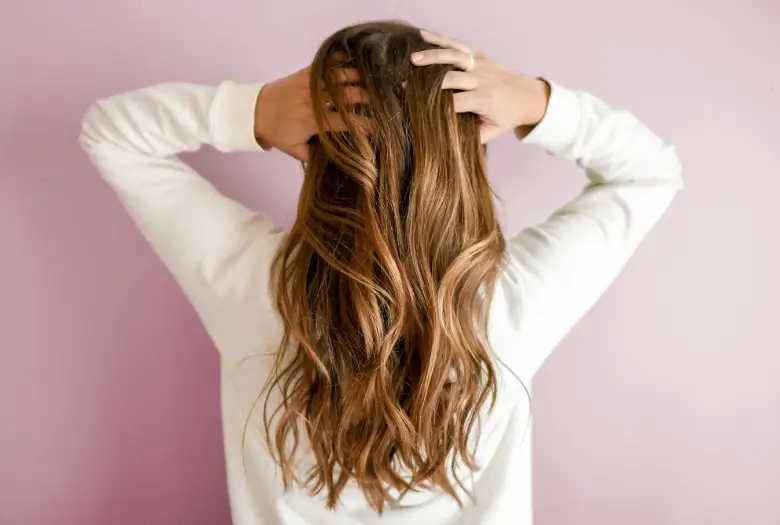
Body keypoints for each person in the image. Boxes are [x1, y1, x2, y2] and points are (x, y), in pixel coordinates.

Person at [80, 20, 682, 525]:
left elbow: (112, 132)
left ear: (313, 145)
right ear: (467, 151)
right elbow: (649, 173)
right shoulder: (510, 303)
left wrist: (256, 110)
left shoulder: (256, 287)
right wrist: (536, 103)